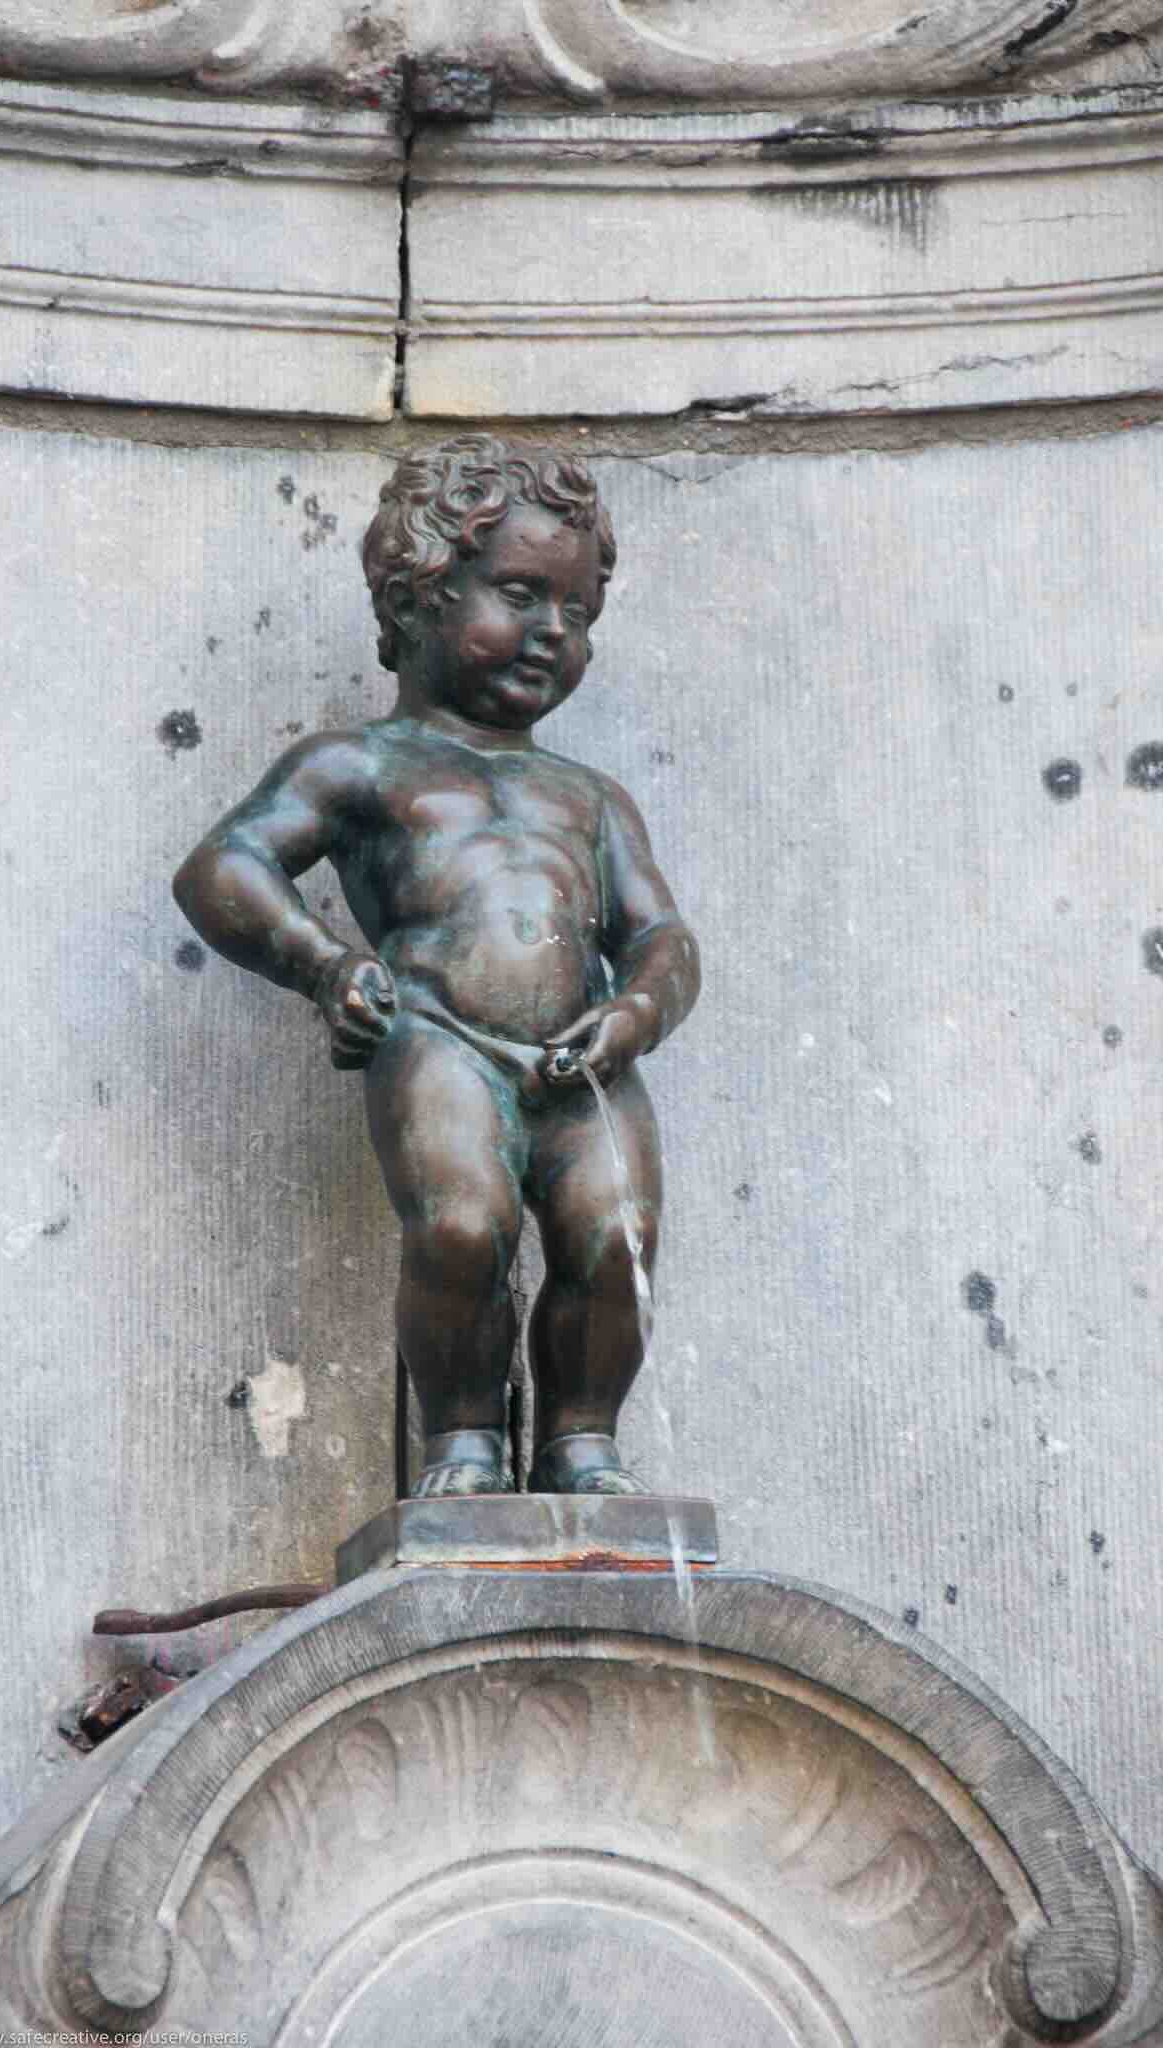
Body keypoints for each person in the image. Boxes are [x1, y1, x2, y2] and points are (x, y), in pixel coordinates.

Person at [174, 436, 700, 1495]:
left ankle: (580, 1443)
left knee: (618, 1234)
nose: (553, 631)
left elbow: (664, 938)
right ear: (418, 596)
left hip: (584, 1054)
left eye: (580, 612)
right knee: (461, 1227)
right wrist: (326, 968)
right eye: (520, 592)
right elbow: (223, 867)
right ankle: (461, 1436)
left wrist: (635, 1012)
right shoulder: (358, 763)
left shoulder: (588, 797)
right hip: (438, 1034)